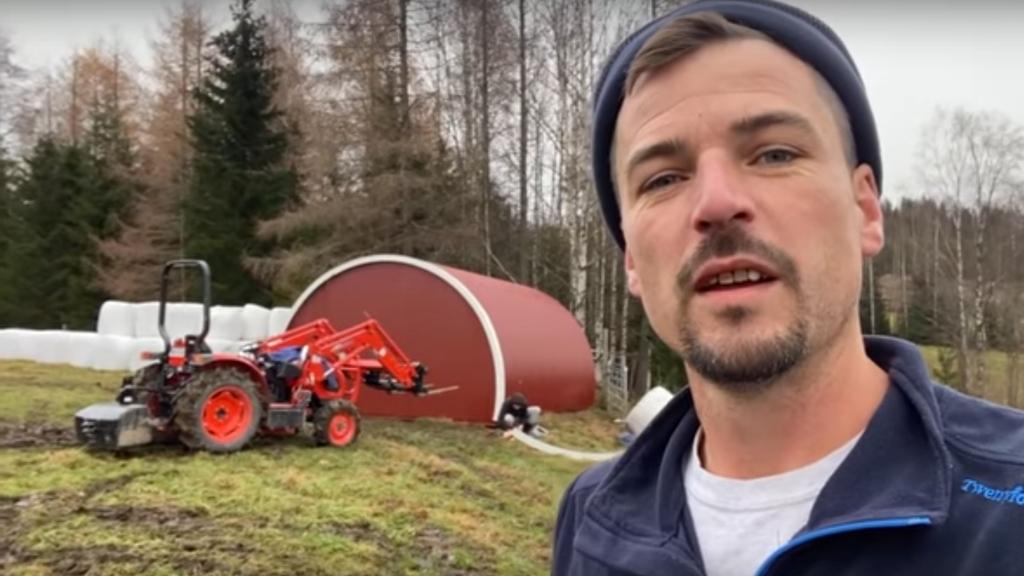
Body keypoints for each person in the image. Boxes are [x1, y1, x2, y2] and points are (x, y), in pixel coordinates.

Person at [552, 2, 1024, 575]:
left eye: (774, 154)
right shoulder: (590, 518)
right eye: (664, 179)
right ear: (630, 258)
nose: (717, 203)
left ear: (865, 210)